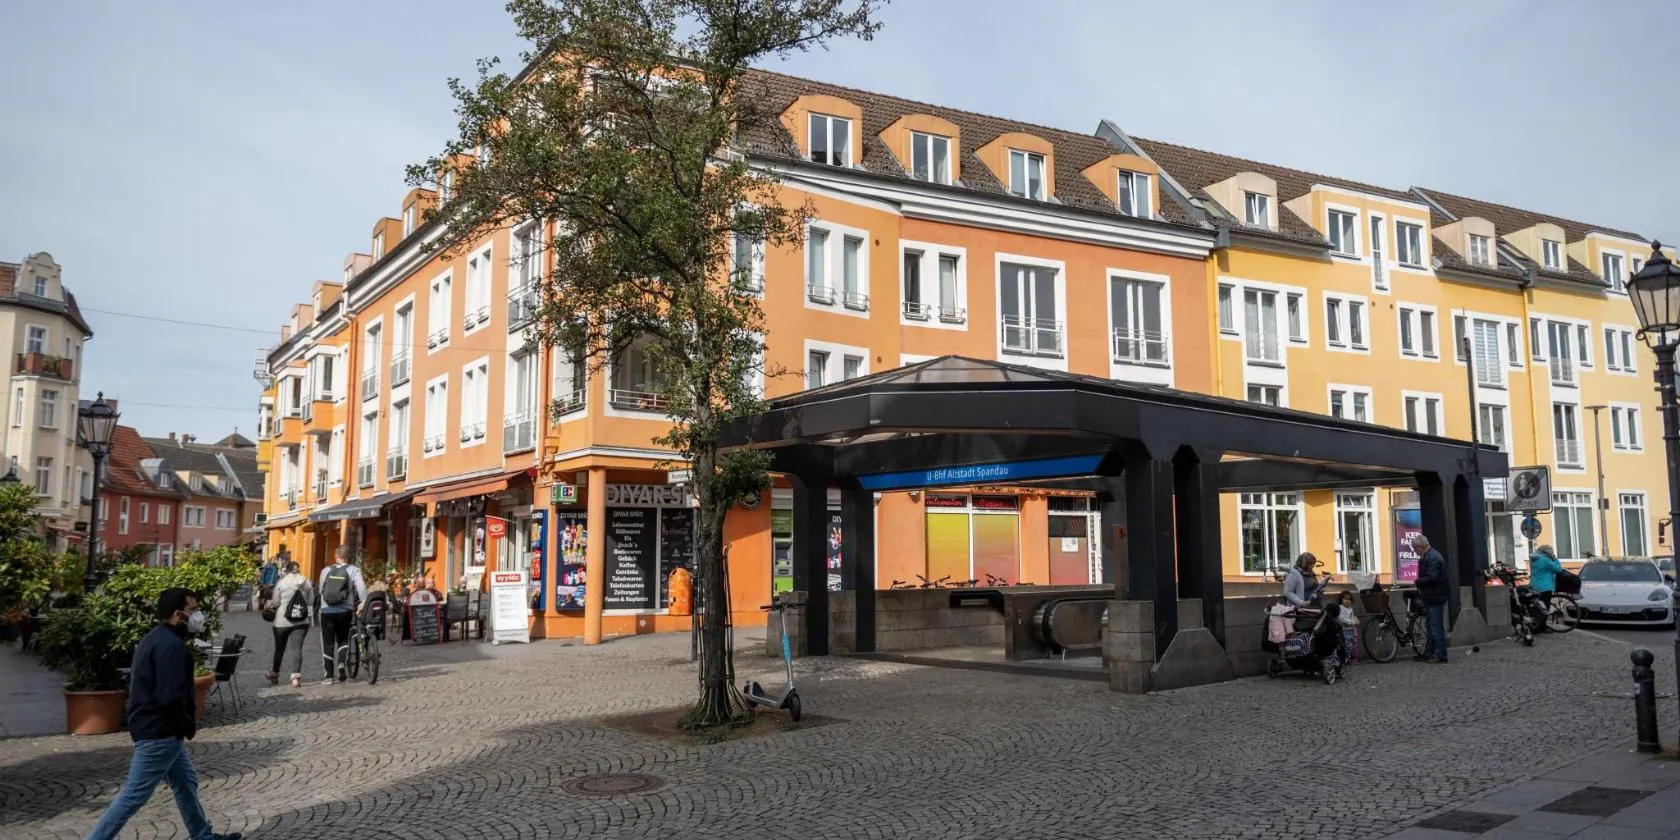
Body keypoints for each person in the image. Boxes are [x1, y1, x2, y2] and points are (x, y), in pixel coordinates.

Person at [84, 587, 241, 840]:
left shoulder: (155, 638)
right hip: (160, 732)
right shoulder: (172, 647)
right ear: (178, 615)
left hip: (158, 728)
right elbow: (171, 695)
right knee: (134, 795)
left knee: (185, 782)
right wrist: (186, 723)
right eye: (193, 610)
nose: (198, 615)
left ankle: (202, 835)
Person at [317, 546, 367, 685]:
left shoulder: (326, 570)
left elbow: (321, 590)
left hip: (327, 610)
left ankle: (328, 676)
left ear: (335, 556)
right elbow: (361, 588)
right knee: (343, 639)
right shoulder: (354, 570)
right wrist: (363, 603)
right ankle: (341, 665)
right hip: (345, 610)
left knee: (327, 642)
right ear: (349, 557)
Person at [265, 560, 313, 689]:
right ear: (298, 570)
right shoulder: (306, 582)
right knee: (297, 649)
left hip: (282, 621)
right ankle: (296, 678)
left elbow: (276, 602)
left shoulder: (281, 583)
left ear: (287, 570)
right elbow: (310, 601)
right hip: (301, 620)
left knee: (279, 648)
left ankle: (275, 674)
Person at [1411, 534, 1451, 663]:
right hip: (1432, 596)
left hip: (1435, 596)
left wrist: (1418, 581)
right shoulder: (1430, 555)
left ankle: (1440, 654)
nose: (1415, 551)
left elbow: (1433, 577)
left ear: (1420, 547)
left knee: (1435, 626)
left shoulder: (1432, 557)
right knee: (1431, 625)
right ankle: (1430, 652)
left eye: (1415, 548)